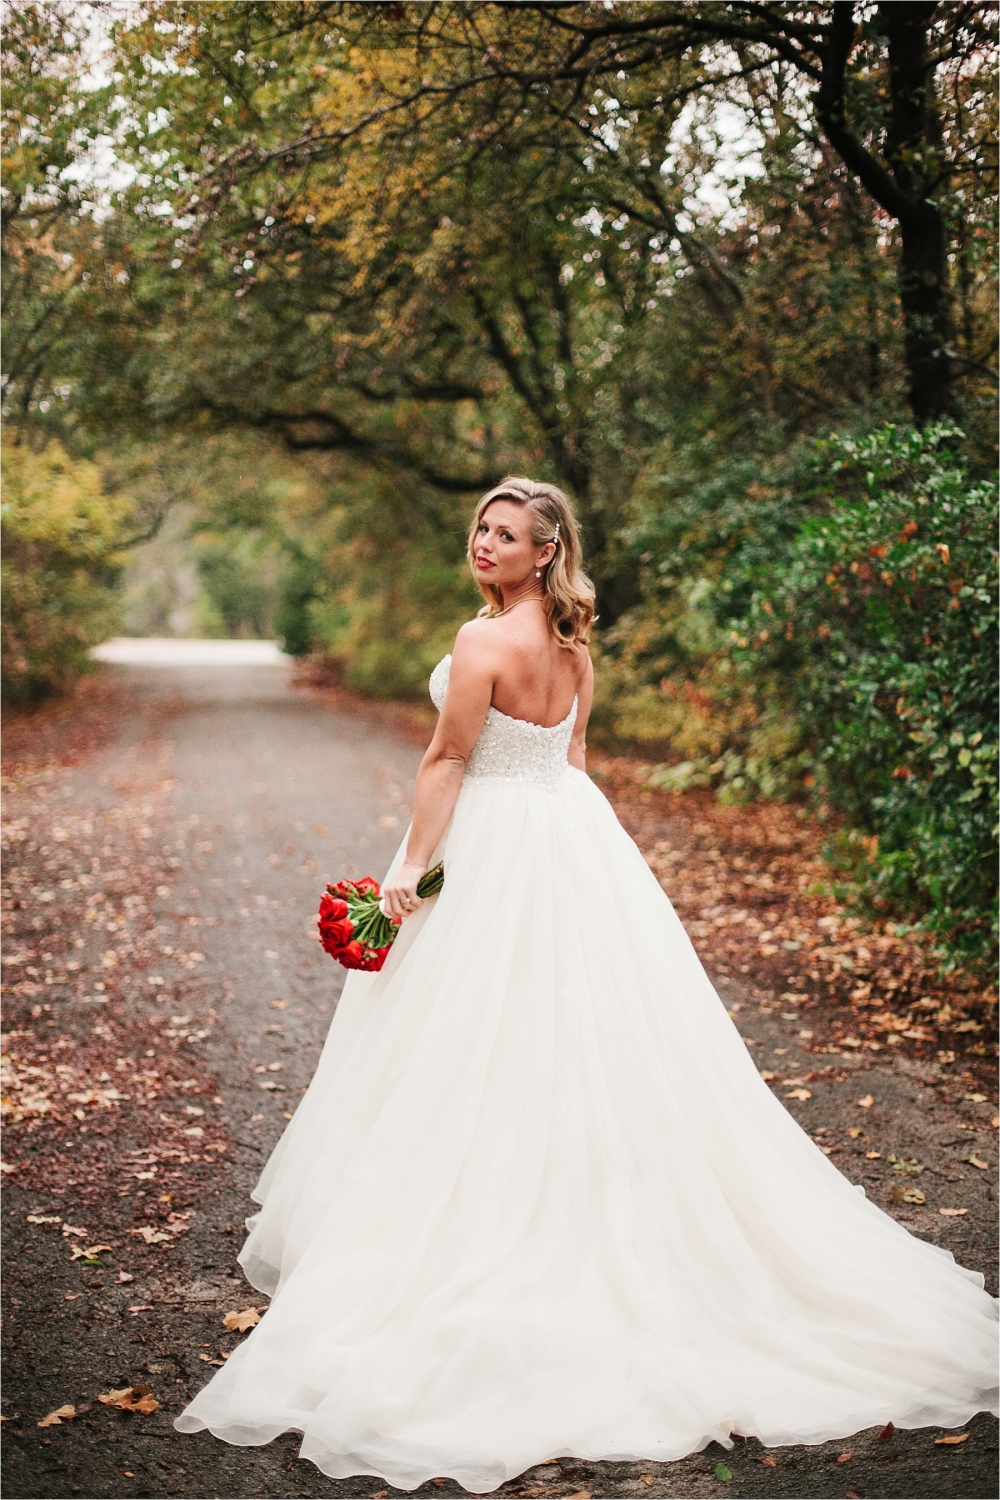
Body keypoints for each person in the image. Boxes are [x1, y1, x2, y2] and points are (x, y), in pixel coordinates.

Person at [176, 477, 998, 1494]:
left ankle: (473, 1224)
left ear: (543, 553)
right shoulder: (573, 652)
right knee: (585, 1029)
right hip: (569, 838)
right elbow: (569, 757)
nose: (485, 542)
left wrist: (407, 879)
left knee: (472, 1034)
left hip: (489, 840)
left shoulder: (482, 648)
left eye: (507, 534)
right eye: (482, 526)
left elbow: (444, 763)